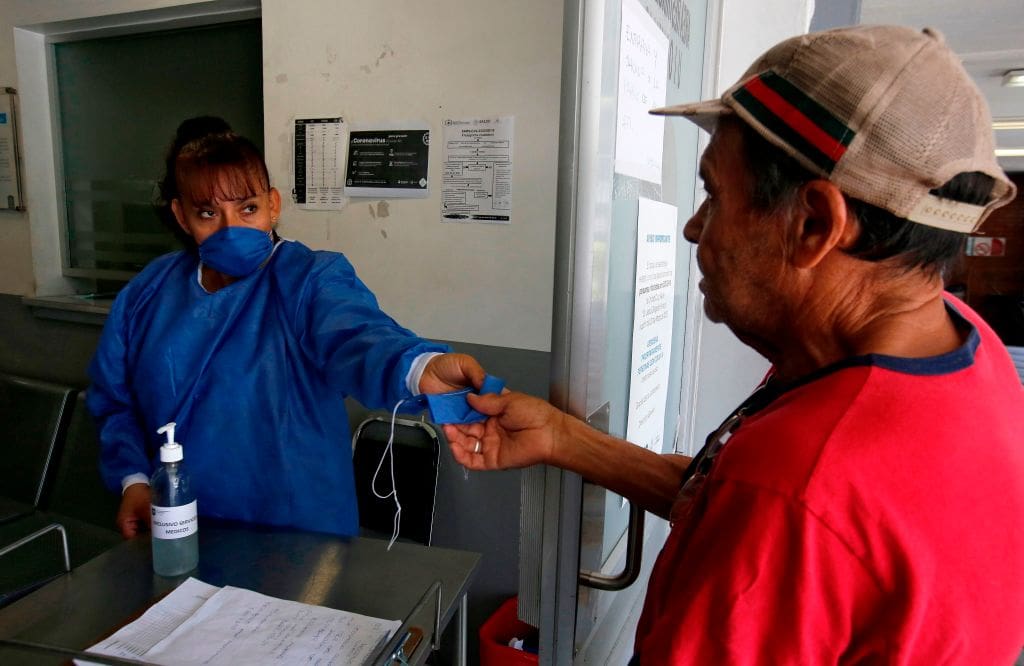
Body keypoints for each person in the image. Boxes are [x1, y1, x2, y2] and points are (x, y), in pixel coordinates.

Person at [445, 25, 1024, 663]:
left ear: (814, 224)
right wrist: (563, 437)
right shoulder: (962, 349)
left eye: (715, 195)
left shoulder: (804, 478)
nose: (694, 228)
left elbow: (782, 506)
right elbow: (739, 505)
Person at [88, 117, 485, 539]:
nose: (231, 229)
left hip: (297, 530)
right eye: (208, 212)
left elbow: (358, 336)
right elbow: (115, 398)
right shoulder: (149, 292)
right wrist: (134, 480)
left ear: (273, 205)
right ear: (182, 217)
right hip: (178, 525)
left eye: (248, 208)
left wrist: (420, 368)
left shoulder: (308, 279)